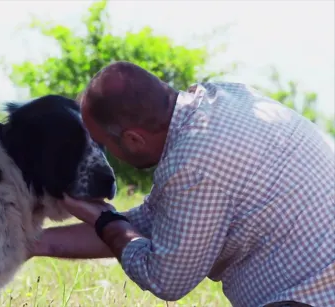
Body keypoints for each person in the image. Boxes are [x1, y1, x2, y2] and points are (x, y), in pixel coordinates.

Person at [30, 61, 335, 307]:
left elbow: (166, 279)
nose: (104, 158)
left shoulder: (193, 162)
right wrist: (34, 242)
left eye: (103, 145)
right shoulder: (223, 95)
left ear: (134, 139)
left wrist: (104, 218)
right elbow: (150, 224)